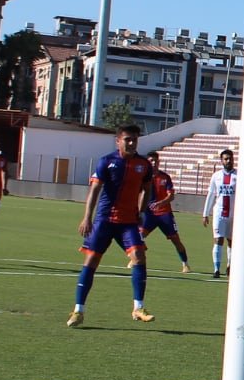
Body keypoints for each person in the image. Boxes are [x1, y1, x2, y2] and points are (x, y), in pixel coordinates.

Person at [69, 124, 156, 327]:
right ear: (118, 141)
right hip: (105, 220)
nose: (132, 143)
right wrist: (87, 217)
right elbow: (94, 190)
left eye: (135, 139)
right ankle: (78, 311)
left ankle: (138, 308)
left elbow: (147, 188)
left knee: (139, 257)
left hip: (129, 223)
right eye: (128, 139)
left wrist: (142, 211)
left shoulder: (143, 164)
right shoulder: (107, 162)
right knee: (91, 261)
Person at [142, 150, 194, 273]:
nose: (154, 163)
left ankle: (185, 264)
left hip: (165, 214)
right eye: (151, 161)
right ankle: (135, 259)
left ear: (159, 162)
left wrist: (160, 203)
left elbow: (171, 196)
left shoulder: (165, 177)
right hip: (149, 214)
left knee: (175, 240)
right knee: (138, 236)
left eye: (156, 161)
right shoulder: (143, 177)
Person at [201, 148, 239, 277]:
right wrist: (205, 213)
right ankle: (216, 269)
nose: (229, 161)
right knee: (218, 240)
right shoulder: (216, 176)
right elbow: (211, 194)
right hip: (219, 213)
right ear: (221, 161)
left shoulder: (239, 175)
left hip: (235, 215)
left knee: (232, 241)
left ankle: (230, 266)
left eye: (230, 159)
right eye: (226, 159)